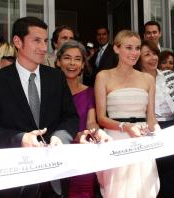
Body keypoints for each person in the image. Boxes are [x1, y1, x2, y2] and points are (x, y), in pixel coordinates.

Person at [0, 16, 80, 198]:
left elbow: (70, 117)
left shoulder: (56, 78)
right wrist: (21, 138)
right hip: (14, 182)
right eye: (36, 40)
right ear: (18, 41)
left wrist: (60, 137)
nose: (43, 47)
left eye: (45, 41)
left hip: (54, 179)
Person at [95, 30, 160, 198]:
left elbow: (151, 118)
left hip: (143, 141)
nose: (134, 53)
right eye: (129, 47)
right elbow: (101, 118)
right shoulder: (103, 76)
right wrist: (125, 127)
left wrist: (159, 136)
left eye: (137, 48)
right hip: (116, 141)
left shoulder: (148, 79)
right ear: (116, 49)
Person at [57, 40, 111, 198]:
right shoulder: (49, 92)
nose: (72, 63)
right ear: (58, 61)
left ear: (83, 64)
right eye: (67, 58)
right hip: (55, 154)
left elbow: (91, 122)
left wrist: (95, 133)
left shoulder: (89, 92)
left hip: (82, 155)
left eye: (78, 59)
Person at [136, 40, 174, 198]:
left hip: (173, 127)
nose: (153, 58)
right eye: (147, 54)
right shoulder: (135, 80)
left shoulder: (169, 75)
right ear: (138, 58)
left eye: (155, 53)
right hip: (148, 130)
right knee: (153, 176)